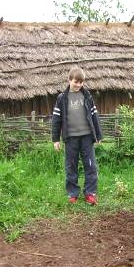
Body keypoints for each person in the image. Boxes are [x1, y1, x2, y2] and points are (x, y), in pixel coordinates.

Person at [51, 66, 103, 205]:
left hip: (87, 137)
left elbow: (94, 115)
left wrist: (98, 135)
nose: (78, 85)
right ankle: (73, 193)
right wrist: (55, 139)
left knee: (90, 165)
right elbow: (56, 119)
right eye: (76, 82)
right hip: (71, 138)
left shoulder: (87, 96)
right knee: (71, 166)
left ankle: (90, 193)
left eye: (81, 82)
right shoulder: (62, 98)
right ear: (69, 80)